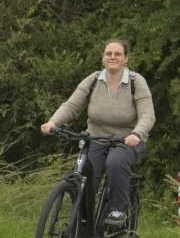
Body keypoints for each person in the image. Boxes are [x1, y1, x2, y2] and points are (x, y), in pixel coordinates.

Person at [41, 39, 155, 227]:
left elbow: (147, 115)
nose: (112, 57)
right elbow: (72, 105)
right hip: (96, 138)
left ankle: (118, 210)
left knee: (115, 161)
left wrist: (137, 133)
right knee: (85, 179)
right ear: (103, 57)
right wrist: (53, 122)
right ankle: (81, 230)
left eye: (118, 54)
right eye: (108, 53)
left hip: (126, 140)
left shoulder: (136, 82)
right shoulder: (94, 80)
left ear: (126, 58)